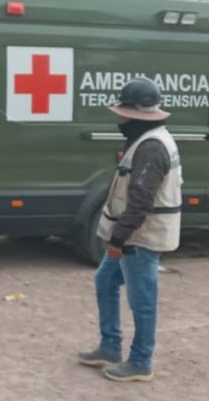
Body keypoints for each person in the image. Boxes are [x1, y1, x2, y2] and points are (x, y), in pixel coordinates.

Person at [78, 78, 182, 383]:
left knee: (142, 300)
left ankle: (140, 361)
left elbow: (139, 202)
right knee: (105, 280)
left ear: (136, 113)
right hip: (134, 235)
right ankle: (110, 347)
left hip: (140, 237)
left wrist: (119, 239)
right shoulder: (147, 139)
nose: (119, 118)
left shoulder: (151, 147)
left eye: (123, 112)